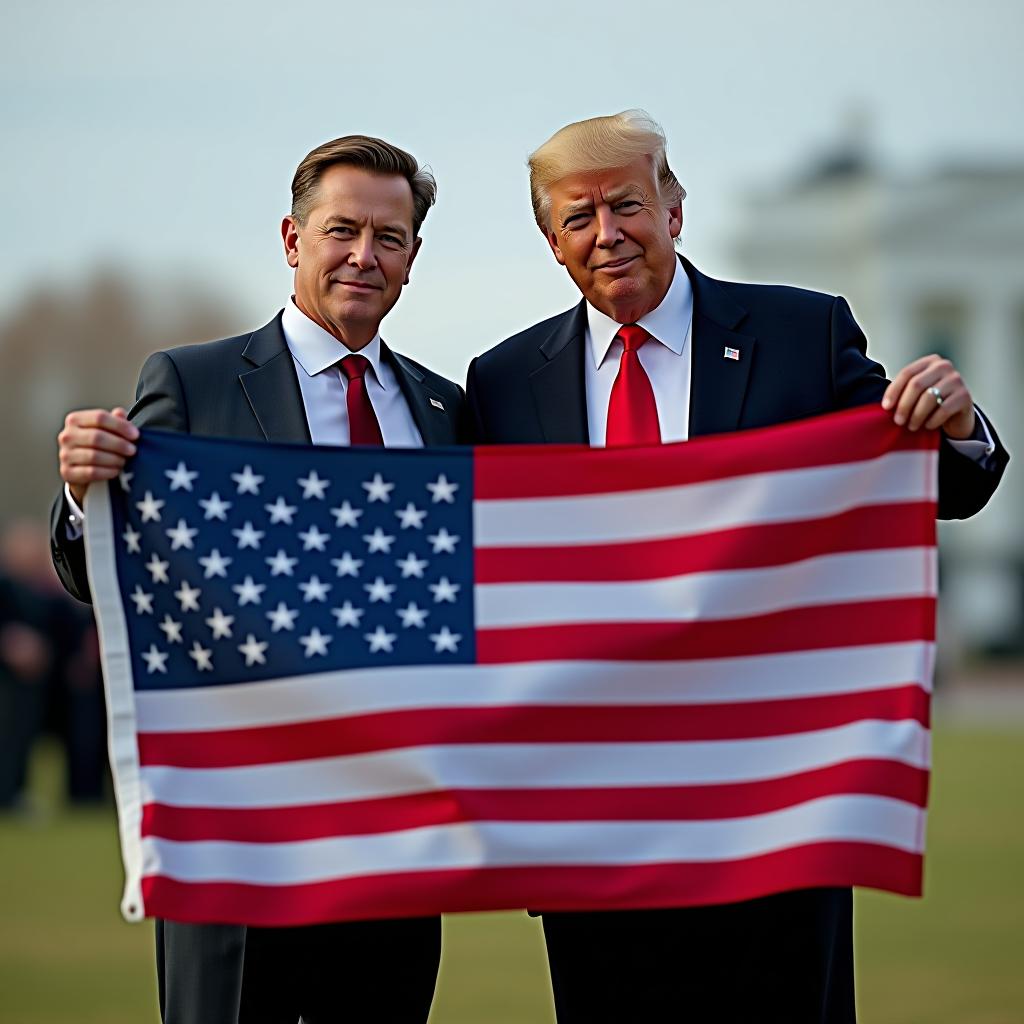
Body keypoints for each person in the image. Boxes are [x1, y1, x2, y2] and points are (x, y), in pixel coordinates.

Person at [465, 110, 1009, 1023]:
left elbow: (935, 485)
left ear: (675, 208)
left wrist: (956, 424)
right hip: (595, 830)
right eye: (578, 217)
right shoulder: (505, 381)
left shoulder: (801, 334)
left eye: (628, 204)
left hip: (775, 812)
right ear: (550, 241)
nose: (608, 234)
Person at [50, 135, 468, 1024]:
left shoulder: (447, 411)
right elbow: (109, 573)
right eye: (341, 229)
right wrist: (87, 497)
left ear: (413, 258)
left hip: (394, 844)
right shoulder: (194, 383)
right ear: (291, 238)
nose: (364, 256)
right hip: (240, 833)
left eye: (388, 238)